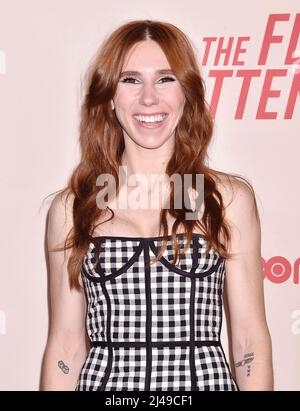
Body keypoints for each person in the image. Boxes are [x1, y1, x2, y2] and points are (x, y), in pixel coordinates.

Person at [40, 19, 274, 391]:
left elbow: (249, 341)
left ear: (187, 93)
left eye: (165, 79)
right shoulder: (74, 208)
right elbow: (65, 347)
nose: (149, 98)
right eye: (130, 80)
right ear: (109, 97)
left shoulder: (226, 200)